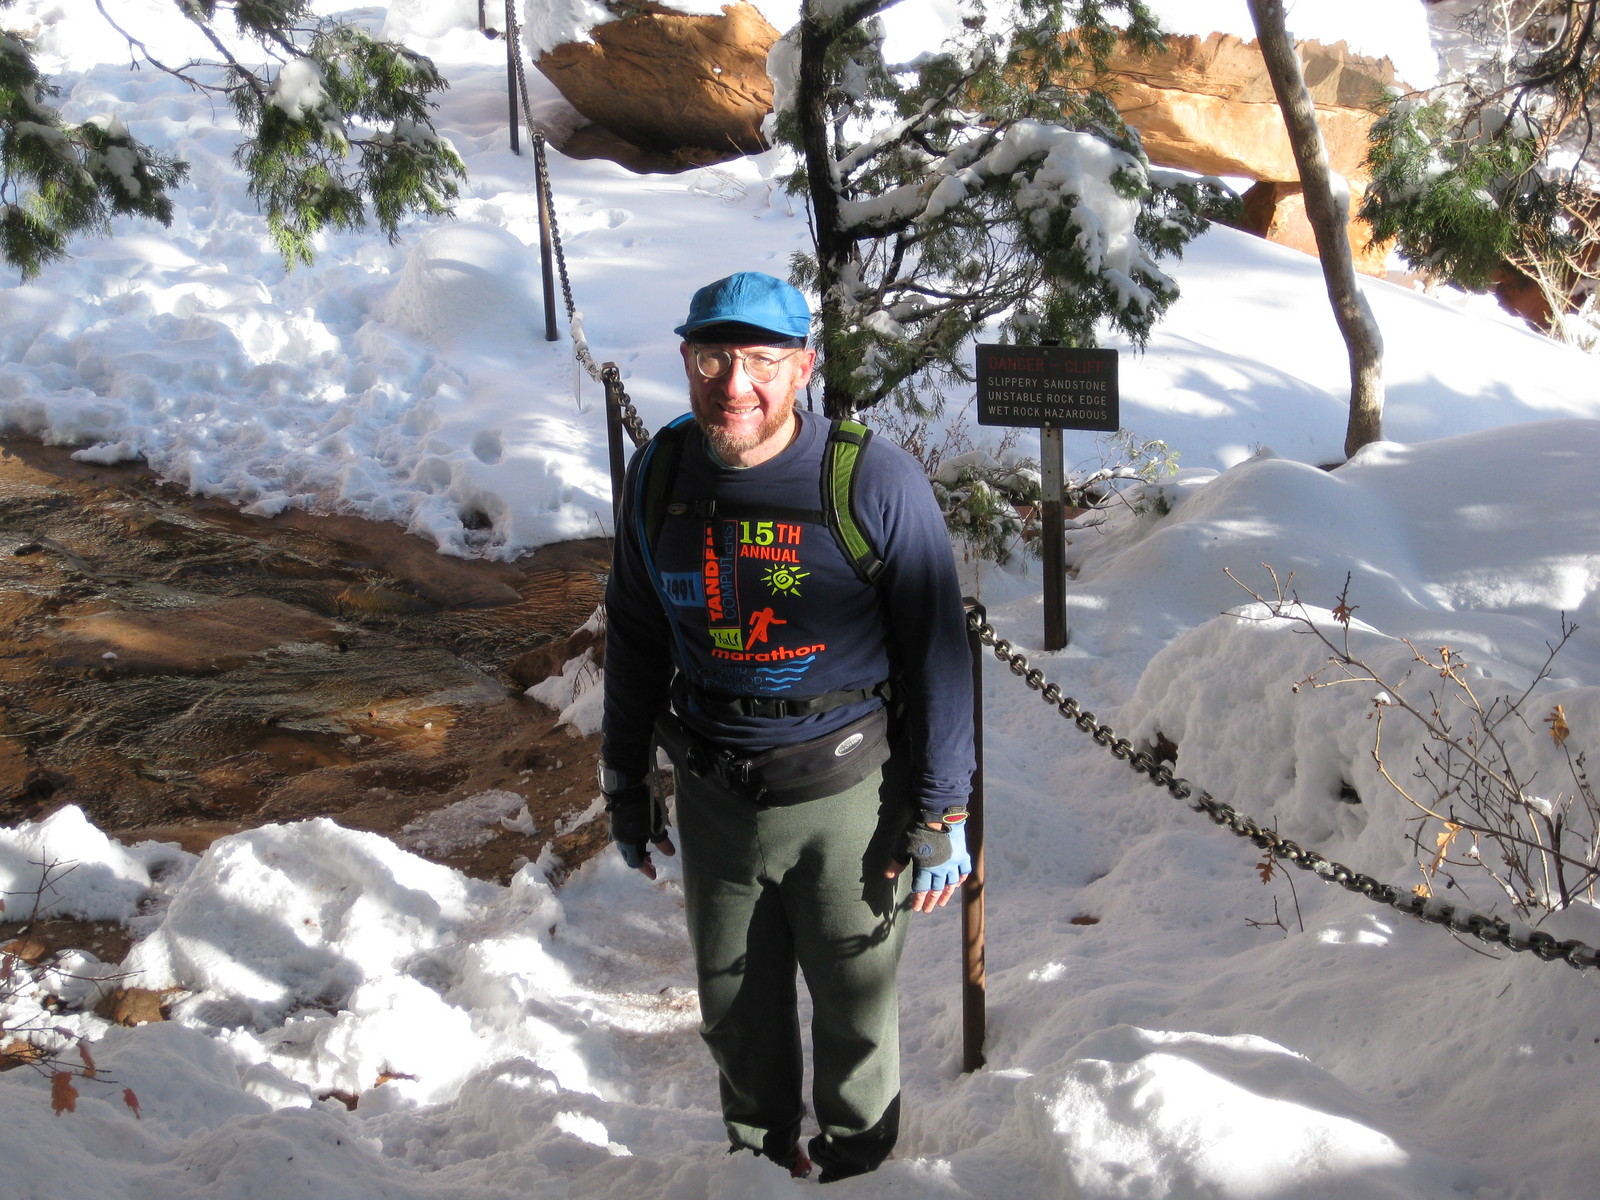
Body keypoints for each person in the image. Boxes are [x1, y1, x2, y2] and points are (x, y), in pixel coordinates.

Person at [599, 271, 975, 1182]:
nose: (736, 384)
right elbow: (637, 633)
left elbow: (938, 654)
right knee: (735, 1010)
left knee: (856, 1008)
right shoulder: (659, 476)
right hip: (715, 794)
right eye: (713, 358)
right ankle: (756, 1167)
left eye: (763, 361)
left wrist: (941, 811)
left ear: (803, 368)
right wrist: (624, 777)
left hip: (849, 797)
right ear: (687, 360)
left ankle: (859, 1165)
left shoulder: (870, 481)